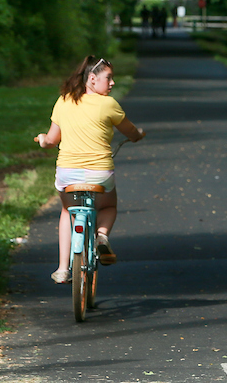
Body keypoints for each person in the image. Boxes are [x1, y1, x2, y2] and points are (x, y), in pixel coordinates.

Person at [35, 55, 146, 284]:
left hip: (68, 174)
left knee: (67, 211)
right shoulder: (109, 105)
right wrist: (138, 135)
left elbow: (52, 140)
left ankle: (63, 268)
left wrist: (43, 140)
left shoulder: (64, 101)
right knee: (109, 205)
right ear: (92, 79)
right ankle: (102, 236)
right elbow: (131, 132)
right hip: (99, 174)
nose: (112, 83)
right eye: (109, 78)